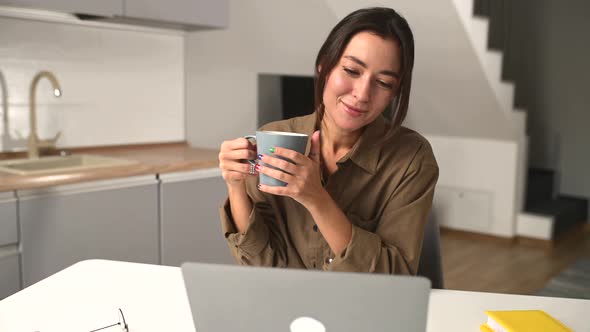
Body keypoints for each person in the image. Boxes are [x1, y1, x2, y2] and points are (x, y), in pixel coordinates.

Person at [218, 7, 438, 275]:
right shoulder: (273, 136)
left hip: (363, 310)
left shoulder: (411, 159)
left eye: (383, 82)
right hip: (284, 304)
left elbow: (395, 278)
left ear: (394, 93)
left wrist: (317, 199)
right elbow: (259, 264)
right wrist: (235, 186)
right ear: (324, 65)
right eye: (351, 70)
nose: (362, 94)